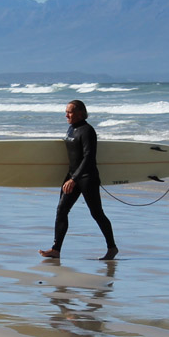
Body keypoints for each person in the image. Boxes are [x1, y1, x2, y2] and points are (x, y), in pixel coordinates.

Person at [40, 100, 118, 261]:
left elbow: (89, 157)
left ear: (80, 113)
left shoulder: (87, 131)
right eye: (66, 111)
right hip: (72, 176)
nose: (66, 115)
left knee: (96, 213)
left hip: (87, 178)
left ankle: (112, 248)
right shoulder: (71, 129)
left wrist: (74, 179)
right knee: (61, 210)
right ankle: (56, 249)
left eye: (69, 112)